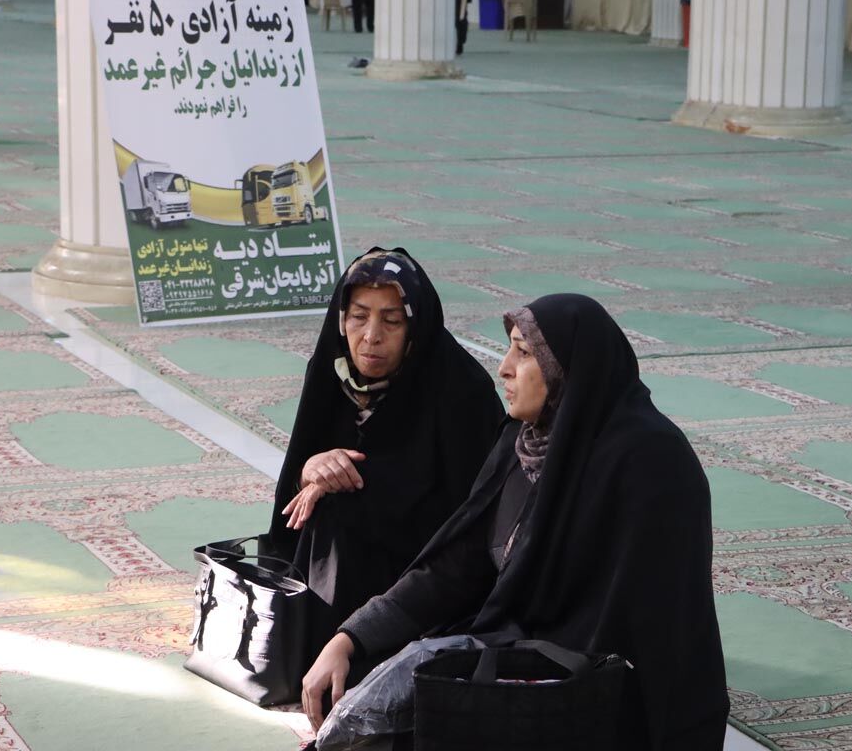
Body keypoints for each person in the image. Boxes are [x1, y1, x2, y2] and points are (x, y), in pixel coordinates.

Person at [302, 293, 729, 749]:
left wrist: (482, 677)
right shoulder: (526, 443)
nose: (504, 368)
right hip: (522, 666)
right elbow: (455, 567)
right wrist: (349, 638)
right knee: (363, 691)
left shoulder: (650, 464)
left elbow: (633, 637)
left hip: (606, 700)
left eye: (524, 353)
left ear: (568, 369)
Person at [267, 247, 504, 684]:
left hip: (428, 574)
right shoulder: (331, 372)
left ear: (415, 327)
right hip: (345, 563)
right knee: (325, 506)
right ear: (341, 320)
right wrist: (312, 470)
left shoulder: (461, 390)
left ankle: (353, 656)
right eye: (359, 317)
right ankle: (313, 653)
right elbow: (293, 490)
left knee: (341, 507)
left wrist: (359, 482)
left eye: (391, 321)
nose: (371, 336)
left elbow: (472, 519)